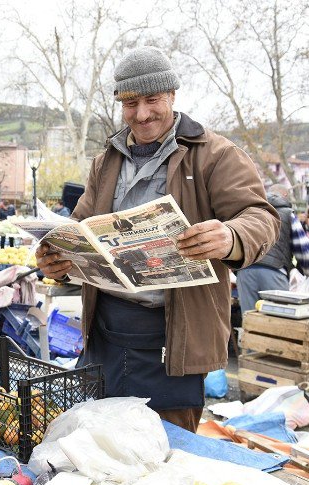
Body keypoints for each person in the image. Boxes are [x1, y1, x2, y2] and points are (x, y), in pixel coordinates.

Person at [36, 46, 279, 432]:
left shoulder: (215, 155)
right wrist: (58, 261)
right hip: (107, 332)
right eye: (130, 103)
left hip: (174, 336)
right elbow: (80, 226)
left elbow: (262, 217)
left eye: (153, 99)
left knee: (167, 453)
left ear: (172, 96)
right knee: (100, 443)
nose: (142, 113)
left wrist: (230, 236)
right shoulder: (106, 161)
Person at [236, 184, 309, 314]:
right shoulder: (288, 214)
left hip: (245, 272)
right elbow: (302, 249)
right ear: (285, 195)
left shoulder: (250, 211)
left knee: (250, 321)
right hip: (274, 272)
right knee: (277, 320)